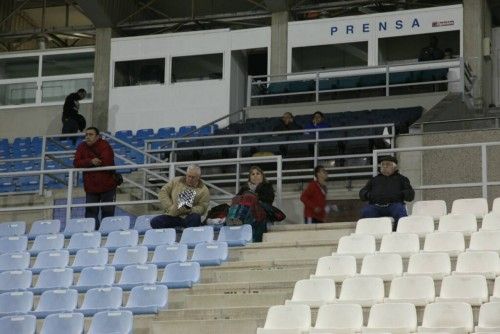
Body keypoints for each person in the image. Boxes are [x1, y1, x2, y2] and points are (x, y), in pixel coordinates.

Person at [73, 126, 118, 229]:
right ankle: (92, 233)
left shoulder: (105, 145)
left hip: (107, 186)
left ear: (98, 136)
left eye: (91, 134)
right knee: (90, 213)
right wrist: (90, 161)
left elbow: (106, 161)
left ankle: (107, 232)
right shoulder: (81, 147)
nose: (88, 137)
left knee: (107, 212)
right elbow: (76, 162)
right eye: (86, 135)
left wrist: (87, 162)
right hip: (91, 187)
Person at [359, 156, 415, 231]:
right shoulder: (374, 179)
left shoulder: (402, 179)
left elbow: (410, 194)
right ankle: (370, 234)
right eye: (383, 164)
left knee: (400, 211)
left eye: (387, 164)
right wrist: (369, 195)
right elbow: (362, 192)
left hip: (394, 205)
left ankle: (397, 234)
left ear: (394, 167)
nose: (384, 166)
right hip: (376, 206)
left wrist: (400, 194)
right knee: (366, 211)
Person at [151, 164, 210, 229]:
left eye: (193, 177)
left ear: (198, 177)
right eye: (188, 176)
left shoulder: (204, 190)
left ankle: (186, 235)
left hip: (188, 216)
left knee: (195, 217)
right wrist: (170, 206)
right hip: (173, 215)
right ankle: (171, 234)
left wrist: (190, 209)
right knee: (154, 222)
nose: (190, 179)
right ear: (186, 174)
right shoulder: (175, 181)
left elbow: (202, 207)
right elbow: (163, 192)